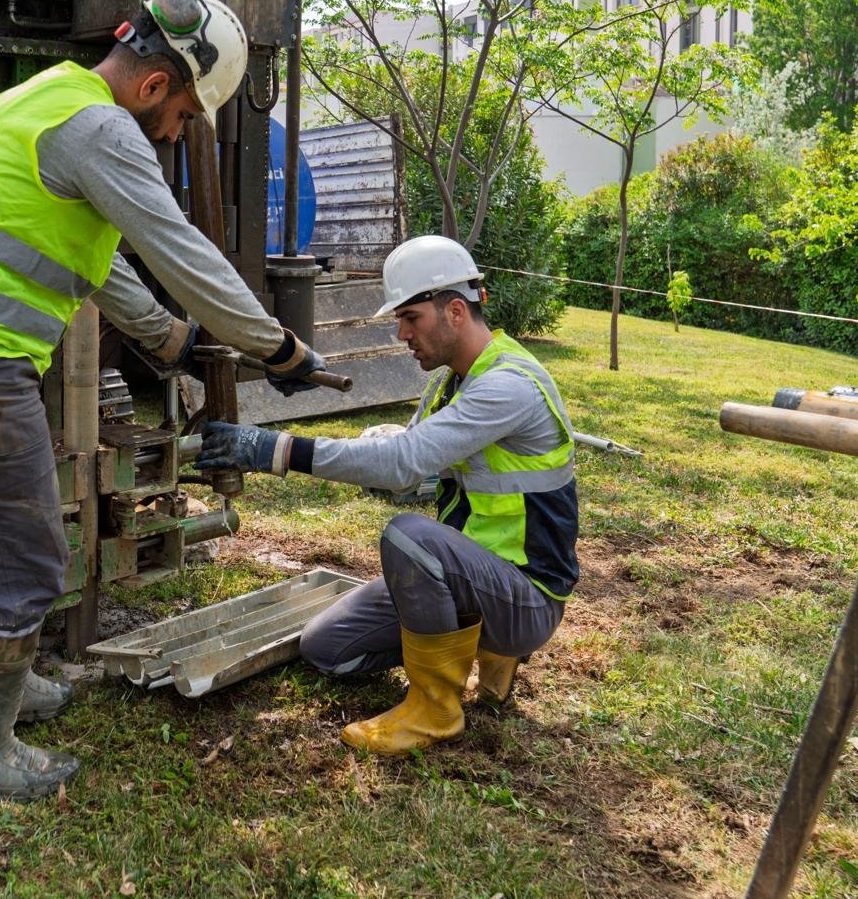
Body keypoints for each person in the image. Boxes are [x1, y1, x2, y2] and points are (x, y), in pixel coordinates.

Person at [0, 0, 323, 804]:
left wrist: (171, 340)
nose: (177, 133)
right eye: (181, 117)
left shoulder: (46, 101)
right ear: (152, 87)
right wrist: (278, 348)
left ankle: (7, 681)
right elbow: (184, 254)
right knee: (27, 562)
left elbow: (92, 263)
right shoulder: (104, 130)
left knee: (6, 537)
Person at [196, 235, 577, 755]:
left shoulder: (507, 385)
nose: (401, 333)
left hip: (526, 596)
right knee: (326, 649)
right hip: (473, 578)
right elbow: (405, 458)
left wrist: (277, 449)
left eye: (411, 318)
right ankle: (472, 645)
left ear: (456, 311)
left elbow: (402, 466)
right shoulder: (452, 384)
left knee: (409, 538)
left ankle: (436, 707)